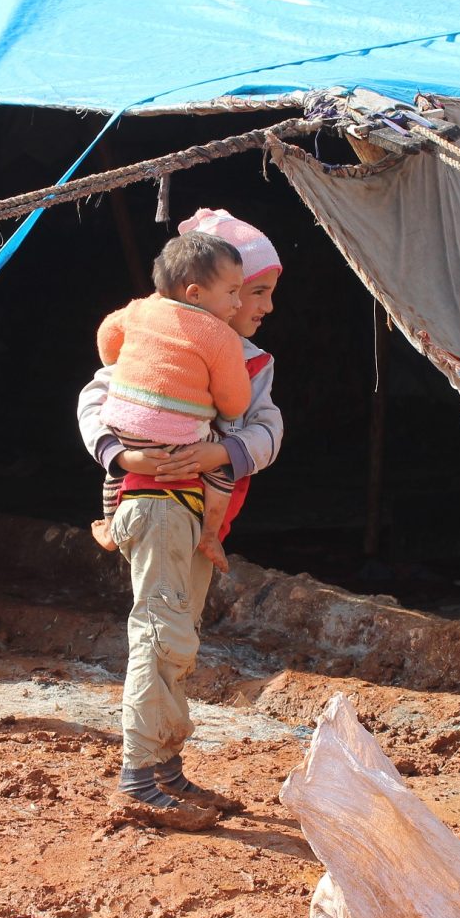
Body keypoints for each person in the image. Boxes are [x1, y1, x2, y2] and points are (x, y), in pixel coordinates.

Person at [77, 209, 283, 831]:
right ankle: (139, 776)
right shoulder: (158, 333)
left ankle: (165, 766)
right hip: (160, 503)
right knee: (160, 633)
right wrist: (122, 455)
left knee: (178, 636)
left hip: (194, 512)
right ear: (212, 292)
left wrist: (221, 452)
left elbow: (267, 425)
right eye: (257, 293)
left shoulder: (251, 359)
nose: (266, 306)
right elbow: (96, 396)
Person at [92, 232, 250, 575]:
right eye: (233, 292)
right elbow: (234, 402)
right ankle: (210, 534)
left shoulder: (140, 309)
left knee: (115, 470)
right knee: (223, 466)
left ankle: (107, 522)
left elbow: (107, 337)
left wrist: (120, 363)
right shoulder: (220, 335)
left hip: (123, 429)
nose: (238, 303)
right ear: (194, 293)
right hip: (180, 442)